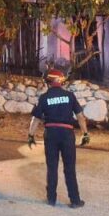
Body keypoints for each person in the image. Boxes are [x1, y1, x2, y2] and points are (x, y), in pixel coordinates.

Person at [28, 69, 89, 208]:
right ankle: (75, 201)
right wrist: (85, 133)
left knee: (52, 167)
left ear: (48, 82)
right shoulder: (69, 96)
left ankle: (51, 199)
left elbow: (36, 119)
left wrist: (30, 135)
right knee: (70, 168)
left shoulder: (44, 98)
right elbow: (80, 117)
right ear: (60, 81)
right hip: (67, 134)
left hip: (51, 134)